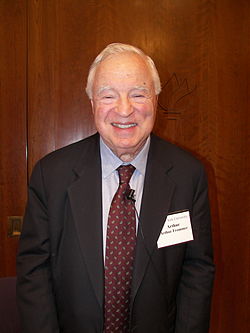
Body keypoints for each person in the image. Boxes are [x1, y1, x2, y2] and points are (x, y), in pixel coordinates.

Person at [16, 43, 215, 333]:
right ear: (93, 104)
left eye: (138, 94)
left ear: (155, 100)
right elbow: (34, 272)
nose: (124, 109)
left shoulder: (189, 175)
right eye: (108, 95)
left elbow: (197, 272)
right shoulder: (51, 175)